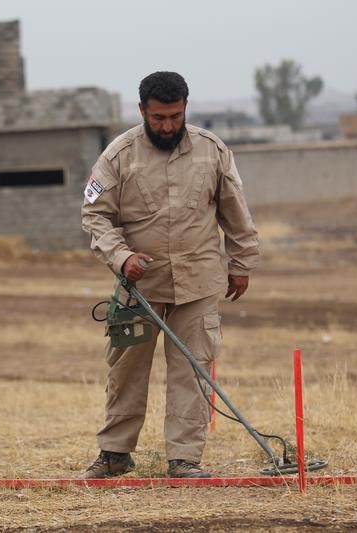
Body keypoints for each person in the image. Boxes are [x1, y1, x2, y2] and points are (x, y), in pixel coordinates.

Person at [80, 71, 260, 479]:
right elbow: (94, 216)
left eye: (175, 117)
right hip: (138, 288)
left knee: (192, 371)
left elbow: (236, 212)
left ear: (185, 109)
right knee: (125, 371)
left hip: (198, 284)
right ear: (142, 110)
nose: (167, 126)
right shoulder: (117, 156)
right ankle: (114, 453)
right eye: (159, 117)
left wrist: (242, 262)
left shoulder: (212, 150)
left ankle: (184, 459)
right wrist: (122, 257)